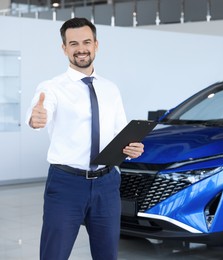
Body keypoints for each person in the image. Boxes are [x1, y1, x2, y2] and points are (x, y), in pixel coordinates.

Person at [26, 17, 144, 260]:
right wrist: (35, 119)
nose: (81, 49)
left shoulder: (110, 89)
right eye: (74, 43)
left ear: (96, 45)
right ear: (64, 48)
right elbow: (39, 115)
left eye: (86, 42)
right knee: (54, 254)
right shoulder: (51, 87)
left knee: (107, 255)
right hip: (66, 184)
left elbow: (118, 134)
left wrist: (132, 148)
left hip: (107, 184)